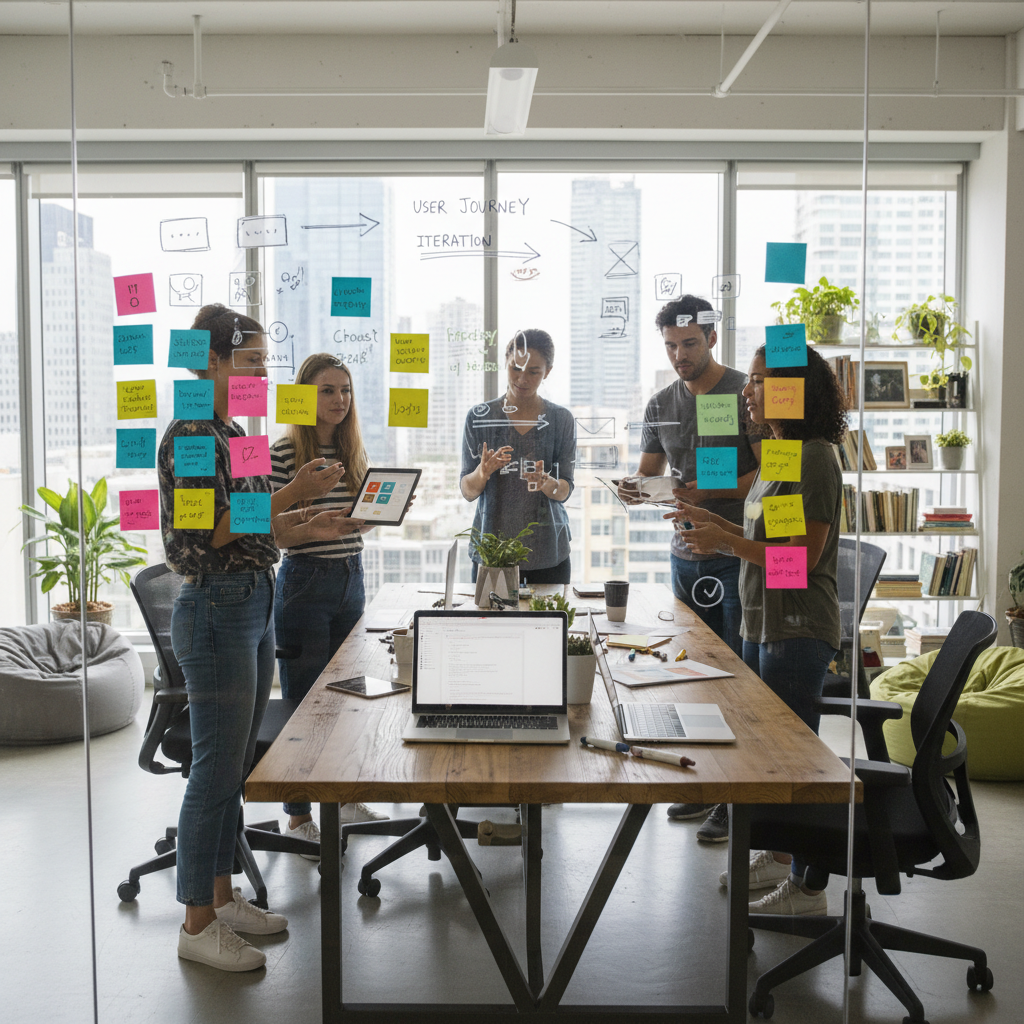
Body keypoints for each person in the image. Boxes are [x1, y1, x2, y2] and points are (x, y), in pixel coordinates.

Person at [158, 304, 346, 972]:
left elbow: (255, 524)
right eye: (252, 361)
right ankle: (196, 922)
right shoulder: (190, 433)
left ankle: (221, 896)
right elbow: (210, 530)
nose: (263, 373)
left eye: (265, 361)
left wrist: (309, 524)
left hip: (253, 597)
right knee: (214, 771)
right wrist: (293, 490)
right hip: (217, 608)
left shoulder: (232, 429)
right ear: (210, 361)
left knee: (233, 766)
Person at [670, 344, 846, 909]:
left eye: (762, 381)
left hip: (796, 626)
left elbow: (800, 561)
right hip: (762, 620)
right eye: (751, 380)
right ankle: (783, 852)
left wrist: (725, 544)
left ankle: (810, 886)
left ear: (796, 391)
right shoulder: (782, 453)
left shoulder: (814, 457)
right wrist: (711, 522)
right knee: (769, 754)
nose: (748, 391)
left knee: (794, 762)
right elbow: (767, 539)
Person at [620, 295, 763, 834]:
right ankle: (705, 786)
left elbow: (769, 472)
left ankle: (736, 799)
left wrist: (706, 492)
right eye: (671, 346)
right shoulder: (661, 403)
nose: (680, 355)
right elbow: (650, 472)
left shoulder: (745, 394)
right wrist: (635, 488)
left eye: (689, 344)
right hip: (683, 558)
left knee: (738, 680)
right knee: (693, 677)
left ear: (712, 339)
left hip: (734, 555)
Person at [269, 353, 390, 848]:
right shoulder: (283, 453)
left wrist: (379, 512)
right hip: (306, 582)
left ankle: (340, 796)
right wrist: (314, 528)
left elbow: (353, 523)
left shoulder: (350, 450)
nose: (340, 399)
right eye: (327, 390)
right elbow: (270, 533)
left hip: (350, 577)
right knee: (305, 705)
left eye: (345, 390)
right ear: (304, 395)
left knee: (345, 698)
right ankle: (299, 816)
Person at [460, 329, 576, 584]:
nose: (522, 379)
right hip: (492, 553)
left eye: (533, 372)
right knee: (488, 612)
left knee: (549, 612)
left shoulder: (560, 419)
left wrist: (548, 483)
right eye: (516, 368)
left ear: (547, 372)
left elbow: (565, 490)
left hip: (548, 554)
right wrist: (482, 473)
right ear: (506, 362)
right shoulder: (480, 418)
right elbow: (467, 492)